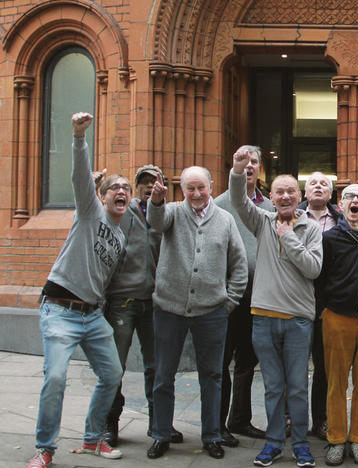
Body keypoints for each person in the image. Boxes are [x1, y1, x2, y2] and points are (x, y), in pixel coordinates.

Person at [27, 112, 125, 468]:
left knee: (112, 374)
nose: (122, 192)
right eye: (115, 187)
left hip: (93, 315)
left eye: (126, 189)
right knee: (55, 377)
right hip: (60, 309)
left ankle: (91, 438)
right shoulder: (89, 212)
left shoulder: (120, 235)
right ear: (100, 196)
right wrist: (79, 137)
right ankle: (45, 448)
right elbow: (80, 178)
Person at [146, 166, 248, 460]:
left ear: (211, 186)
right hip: (169, 308)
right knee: (164, 375)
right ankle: (161, 433)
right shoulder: (173, 212)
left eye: (200, 187)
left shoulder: (226, 220)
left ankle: (211, 436)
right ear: (182, 190)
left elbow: (239, 265)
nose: (196, 194)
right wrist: (156, 201)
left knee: (212, 376)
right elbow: (156, 222)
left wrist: (229, 301)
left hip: (212, 311)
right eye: (190, 188)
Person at [230, 149, 322, 468]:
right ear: (271, 197)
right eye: (279, 192)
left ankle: (299, 445)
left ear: (300, 197)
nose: (285, 196)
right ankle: (272, 443)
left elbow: (313, 269)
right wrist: (239, 169)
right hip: (264, 320)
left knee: (297, 388)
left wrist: (290, 240)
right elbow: (239, 201)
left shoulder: (310, 229)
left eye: (290, 192)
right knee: (273, 388)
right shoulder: (262, 221)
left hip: (298, 322)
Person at [103, 164, 184, 447]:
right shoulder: (124, 212)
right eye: (144, 182)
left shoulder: (169, 214)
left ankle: (159, 423)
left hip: (156, 302)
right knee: (115, 366)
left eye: (155, 181)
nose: (149, 186)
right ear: (136, 187)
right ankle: (109, 423)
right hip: (122, 300)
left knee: (157, 367)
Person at [316, 184, 358, 466]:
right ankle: (335, 439)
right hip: (337, 318)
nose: (355, 202)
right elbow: (318, 278)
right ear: (340, 205)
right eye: (349, 198)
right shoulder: (328, 239)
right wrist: (323, 310)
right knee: (336, 382)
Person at [214, 145, 273, 445]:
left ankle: (240, 419)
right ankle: (217, 425)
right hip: (228, 297)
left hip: (259, 297)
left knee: (248, 362)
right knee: (222, 362)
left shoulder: (272, 207)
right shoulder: (220, 204)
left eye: (254, 162)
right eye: (244, 162)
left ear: (261, 168)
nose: (249, 166)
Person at [298, 171, 340, 441]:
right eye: (312, 183)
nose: (317, 186)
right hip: (296, 298)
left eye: (323, 183)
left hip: (329, 302)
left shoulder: (342, 219)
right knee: (295, 366)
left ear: (330, 193)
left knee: (325, 367)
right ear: (304, 193)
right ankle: (293, 420)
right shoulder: (291, 216)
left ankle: (322, 420)